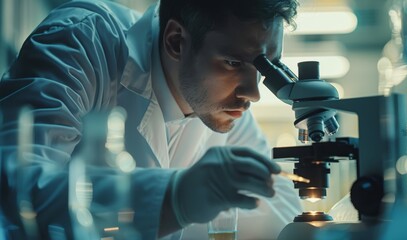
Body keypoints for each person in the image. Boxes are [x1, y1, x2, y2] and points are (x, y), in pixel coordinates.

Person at [0, 0, 301, 239]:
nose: (253, 93)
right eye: (233, 62)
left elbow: (283, 215)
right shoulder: (80, 41)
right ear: (175, 41)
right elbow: (16, 189)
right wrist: (173, 197)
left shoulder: (228, 111)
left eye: (268, 66)